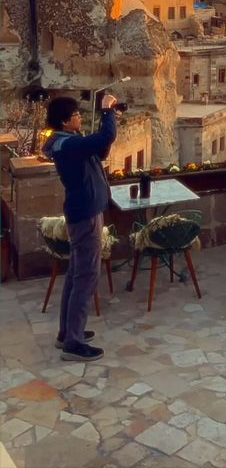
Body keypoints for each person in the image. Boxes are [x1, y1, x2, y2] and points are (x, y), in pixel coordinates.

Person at [42, 93, 118, 362]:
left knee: (76, 275)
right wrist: (107, 111)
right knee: (86, 278)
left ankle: (67, 333)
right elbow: (105, 138)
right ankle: (73, 343)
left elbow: (100, 148)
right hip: (85, 215)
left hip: (82, 212)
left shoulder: (67, 143)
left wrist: (105, 126)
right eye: (75, 115)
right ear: (65, 121)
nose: (79, 117)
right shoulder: (69, 145)